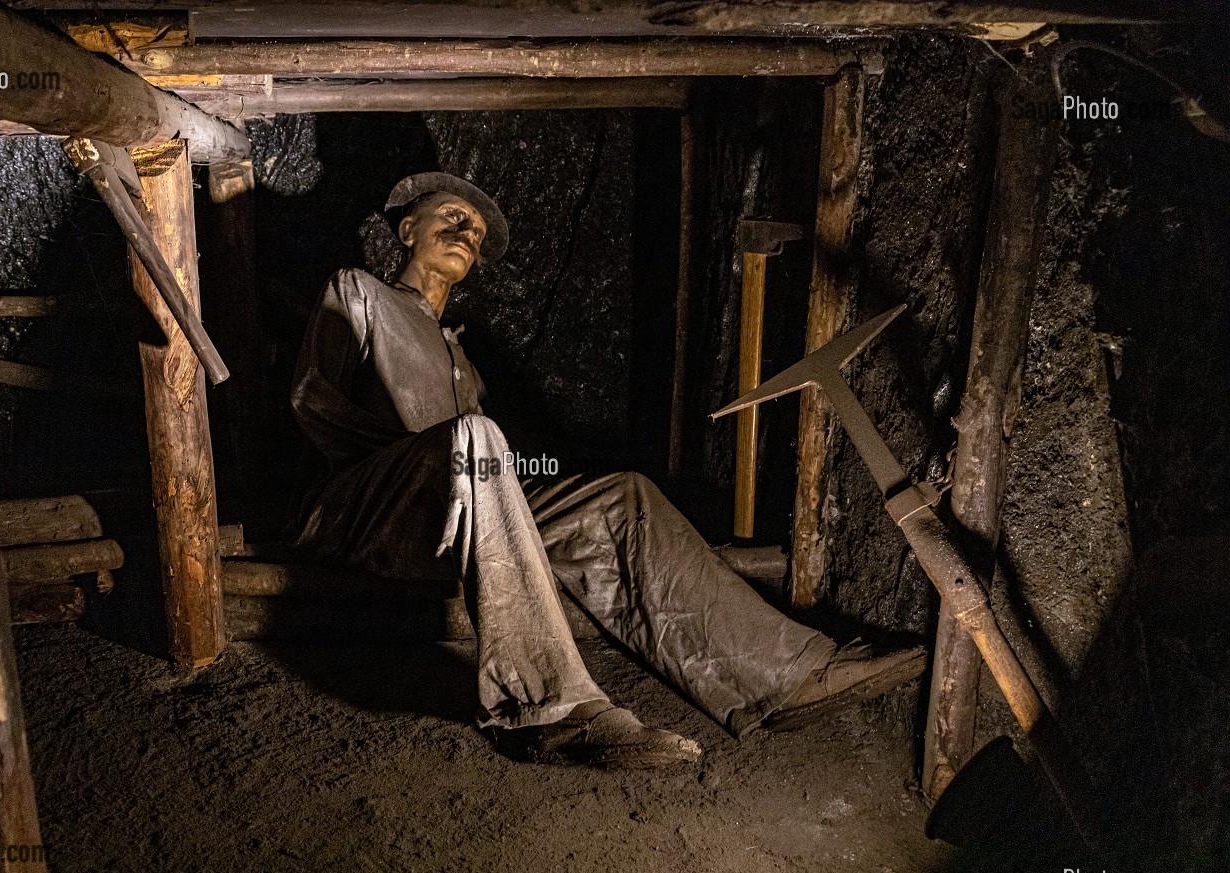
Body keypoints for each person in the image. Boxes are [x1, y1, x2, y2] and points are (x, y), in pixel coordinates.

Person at [287, 172, 925, 769]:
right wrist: (431, 459)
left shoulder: (461, 359)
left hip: (456, 512)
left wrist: (503, 473)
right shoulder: (359, 292)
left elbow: (487, 465)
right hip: (363, 507)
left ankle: (788, 678)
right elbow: (313, 402)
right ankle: (549, 710)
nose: (465, 232)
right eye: (451, 217)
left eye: (475, 232)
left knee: (624, 496)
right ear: (406, 230)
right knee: (478, 440)